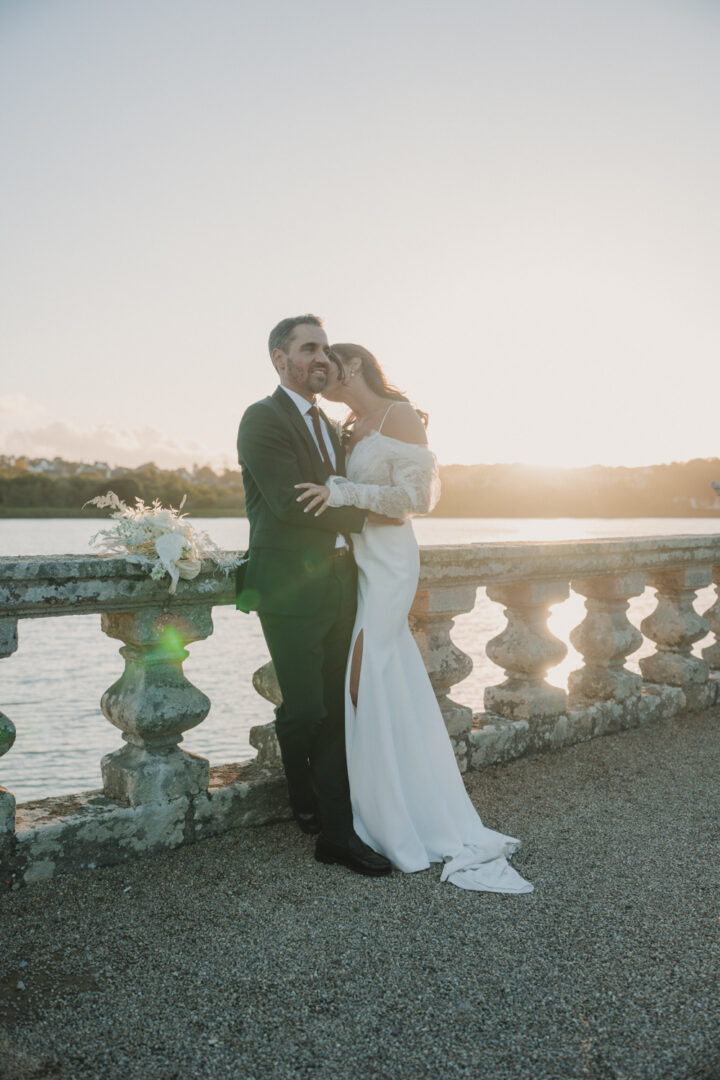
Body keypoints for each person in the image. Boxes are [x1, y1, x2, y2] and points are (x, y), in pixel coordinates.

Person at [295, 344, 533, 894]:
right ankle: (386, 798)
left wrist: (339, 492)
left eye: (325, 369)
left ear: (352, 366)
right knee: (379, 672)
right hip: (361, 557)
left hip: (391, 557)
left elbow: (415, 498)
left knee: (368, 669)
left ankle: (388, 812)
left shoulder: (399, 416)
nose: (319, 378)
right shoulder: (348, 424)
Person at [236, 315, 392, 877]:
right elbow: (291, 504)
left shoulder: (333, 424)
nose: (322, 357)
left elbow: (326, 498)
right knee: (304, 710)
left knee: (336, 711)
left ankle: (336, 832)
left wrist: (340, 499)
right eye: (309, 348)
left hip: (342, 583)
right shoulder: (262, 419)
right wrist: (377, 507)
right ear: (281, 359)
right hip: (286, 587)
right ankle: (301, 796)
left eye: (325, 347)